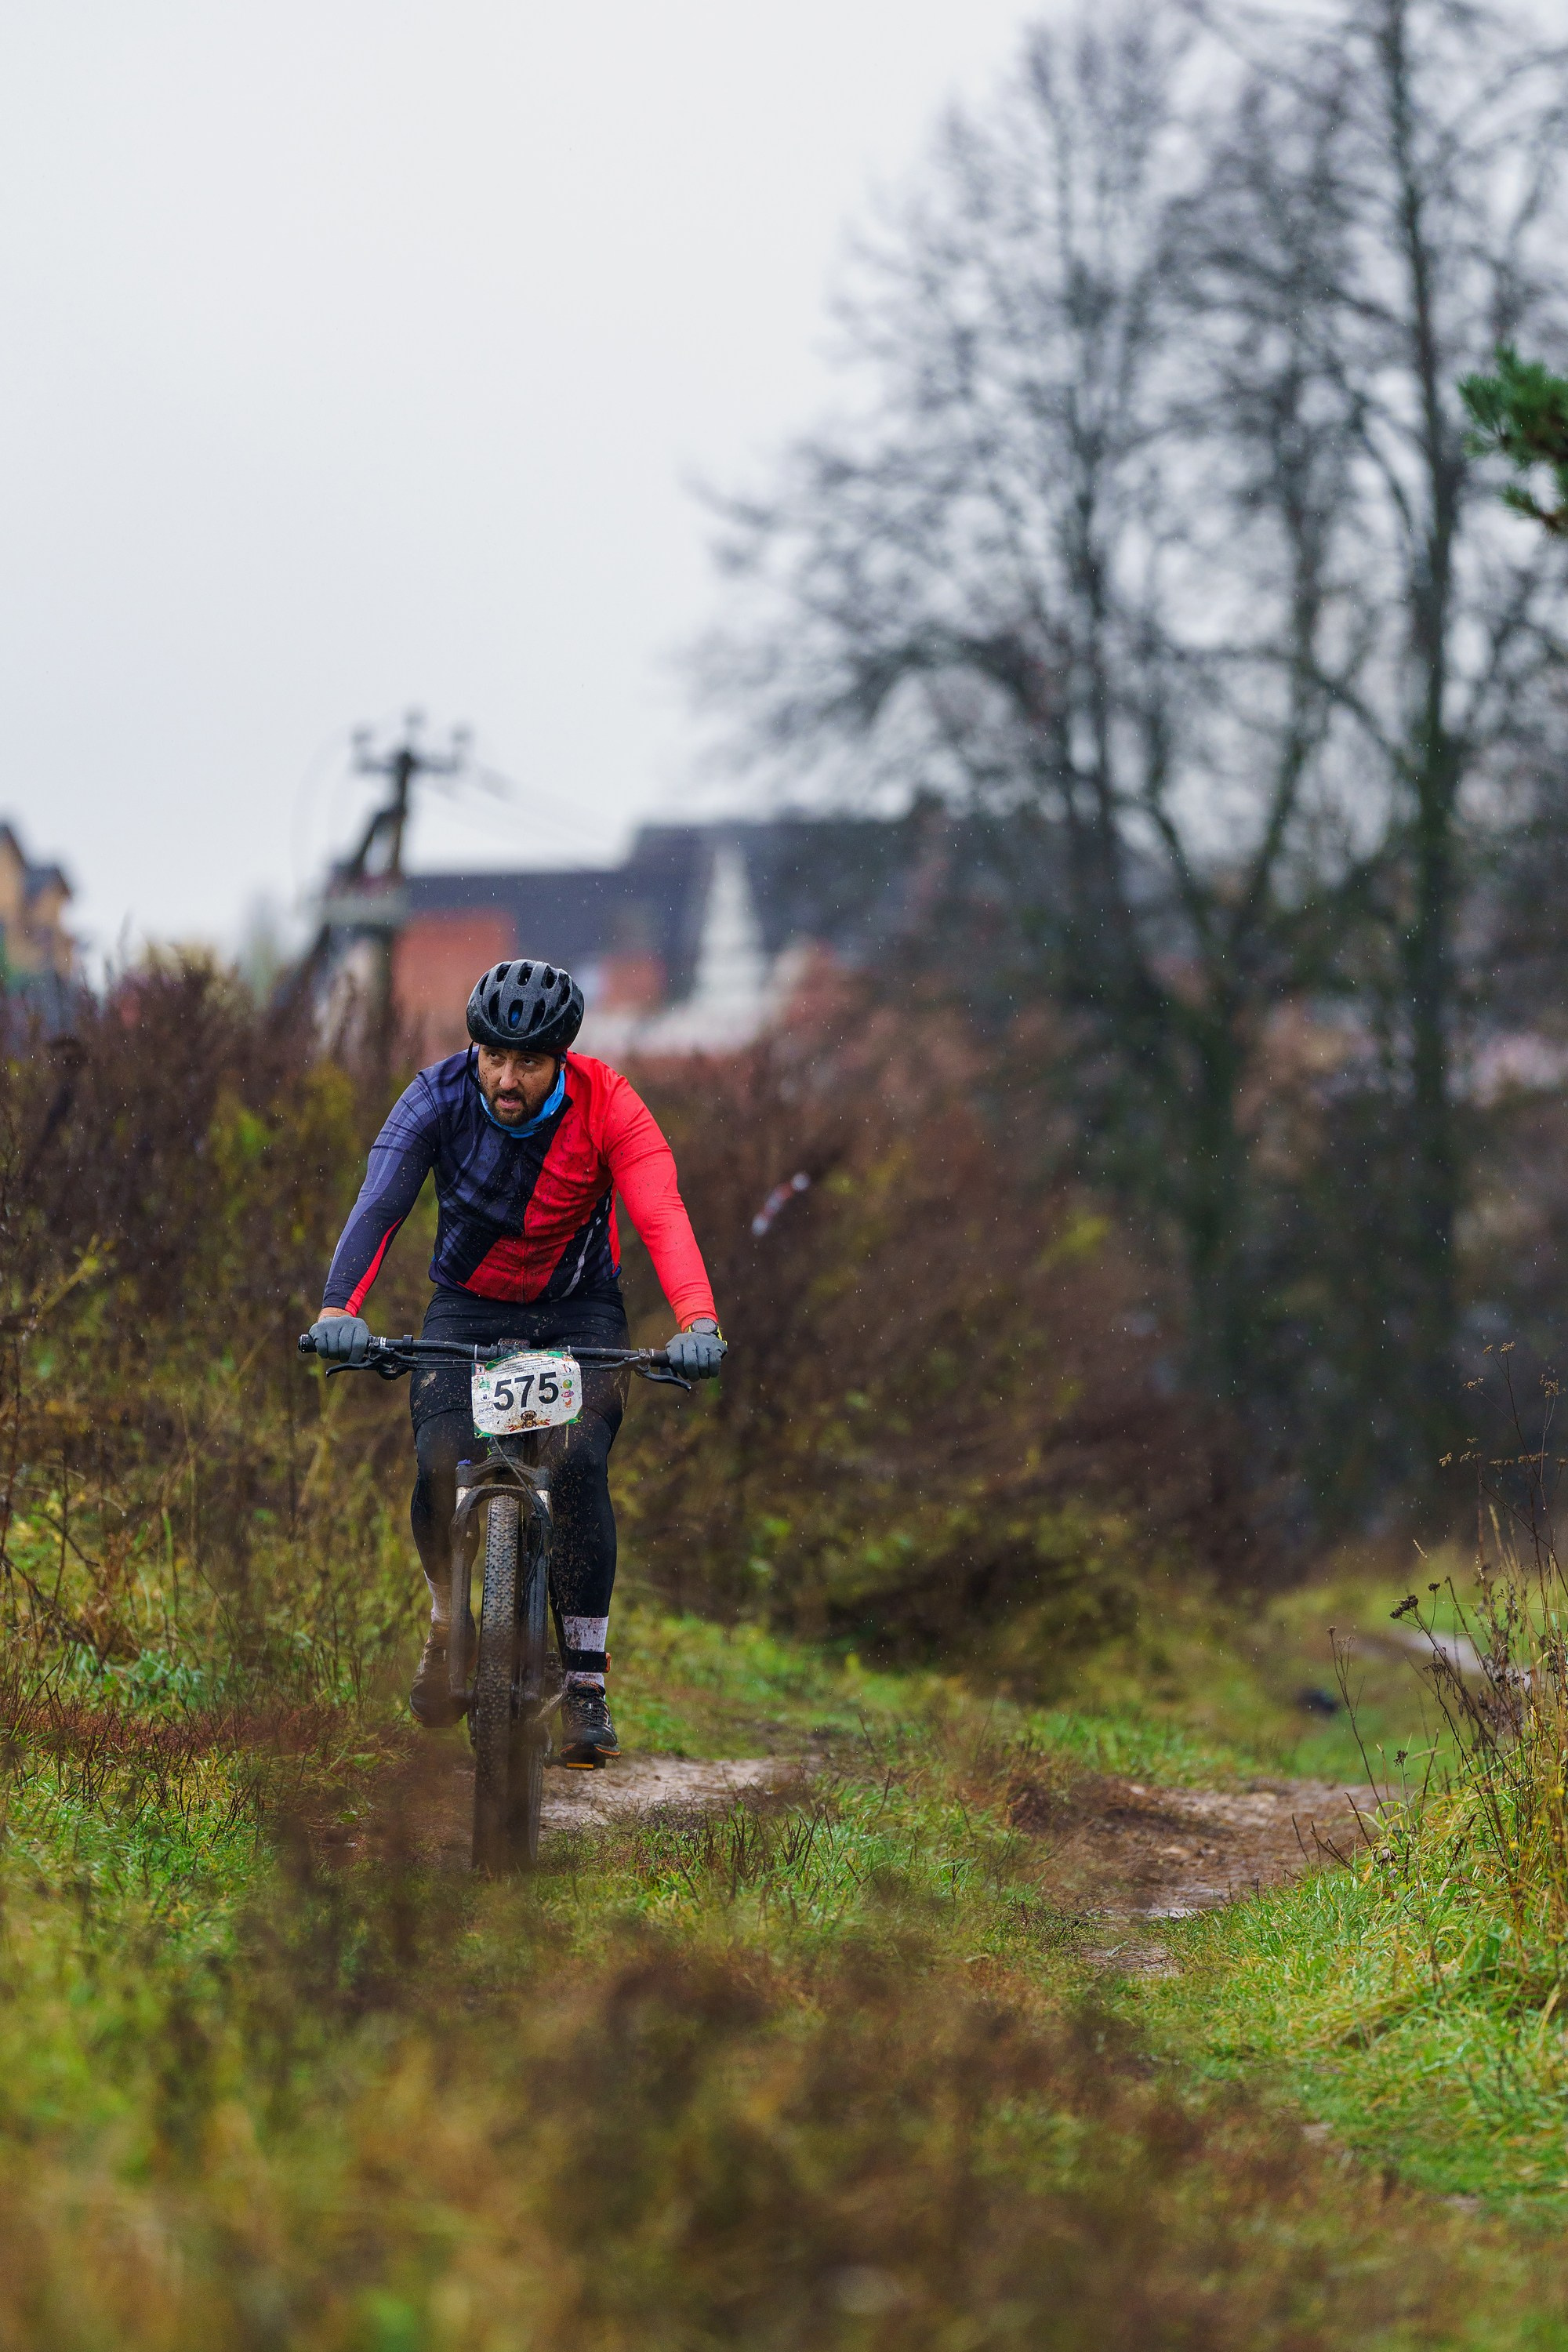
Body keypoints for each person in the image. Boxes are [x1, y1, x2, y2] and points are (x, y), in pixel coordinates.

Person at [308, 958, 724, 1765]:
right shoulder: (436, 1097)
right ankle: (444, 1626)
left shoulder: (610, 1107)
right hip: (466, 1306)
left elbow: (661, 1214)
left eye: (528, 1062)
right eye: (493, 1056)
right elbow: (381, 1202)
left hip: (578, 1311)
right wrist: (338, 1311)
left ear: (560, 1060)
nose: (506, 1077)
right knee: (436, 1460)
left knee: (575, 1468)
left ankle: (586, 1680)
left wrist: (696, 1320)